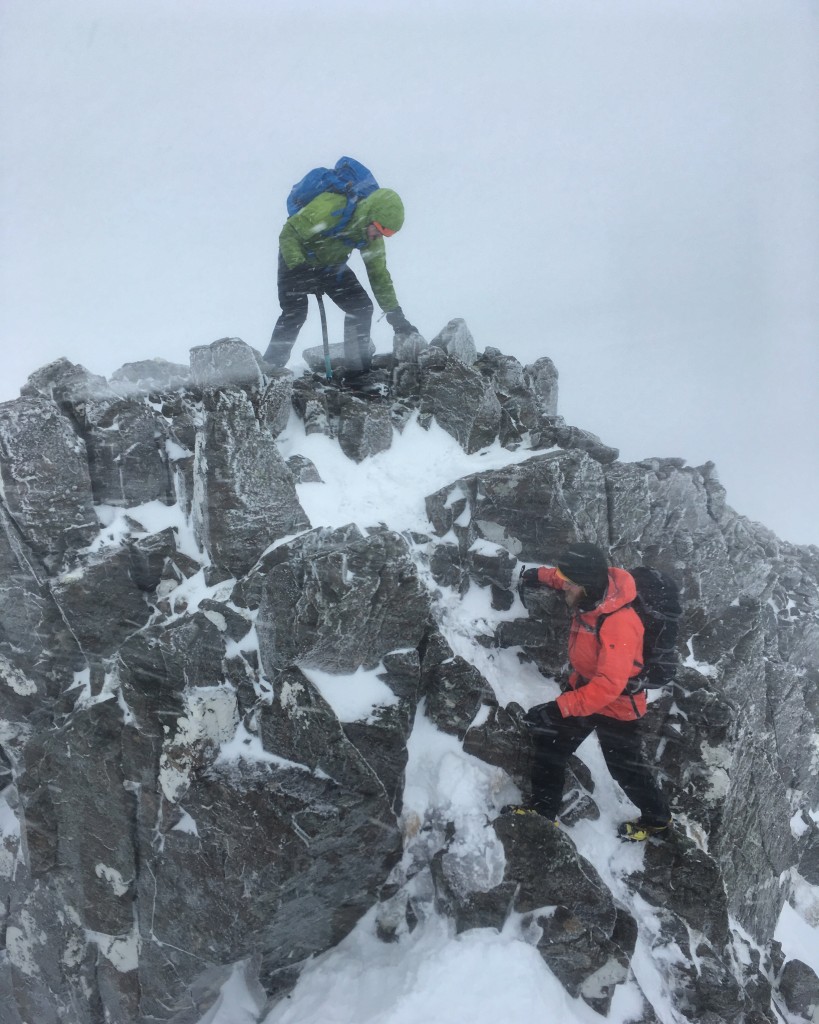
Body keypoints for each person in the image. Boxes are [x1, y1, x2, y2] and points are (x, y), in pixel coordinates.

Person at [508, 542, 671, 842]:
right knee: (550, 742)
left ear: (586, 586)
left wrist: (559, 707)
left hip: (617, 707)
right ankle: (543, 813)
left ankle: (657, 819)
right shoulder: (591, 590)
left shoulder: (620, 624)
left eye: (570, 584)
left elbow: (609, 686)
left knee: (625, 770)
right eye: (565, 581)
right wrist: (541, 576)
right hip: (586, 690)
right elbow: (564, 577)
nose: (565, 587)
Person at [263, 186, 417, 377]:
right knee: (295, 312)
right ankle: (269, 370)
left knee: (361, 307)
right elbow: (289, 233)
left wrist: (395, 315)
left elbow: (379, 275)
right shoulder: (332, 206)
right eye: (379, 230)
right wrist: (299, 268)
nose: (378, 237)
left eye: (387, 234)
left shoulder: (371, 235)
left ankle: (357, 374)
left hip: (330, 265)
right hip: (296, 259)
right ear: (370, 215)